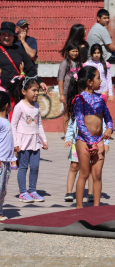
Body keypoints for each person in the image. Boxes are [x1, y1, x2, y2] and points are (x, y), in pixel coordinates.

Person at [65, 66, 113, 209]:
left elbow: (108, 117)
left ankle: (96, 208)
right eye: (98, 78)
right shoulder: (80, 100)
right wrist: (90, 142)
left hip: (98, 141)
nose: (101, 81)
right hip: (84, 142)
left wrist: (109, 128)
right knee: (84, 174)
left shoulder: (100, 98)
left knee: (97, 174)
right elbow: (80, 122)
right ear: (90, 82)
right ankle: (79, 207)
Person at [11, 76, 48, 203]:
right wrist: (15, 143)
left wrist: (44, 140)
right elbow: (13, 125)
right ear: (24, 92)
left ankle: (32, 191)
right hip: (23, 143)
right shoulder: (19, 106)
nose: (36, 93)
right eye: (33, 90)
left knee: (35, 166)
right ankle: (23, 192)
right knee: (23, 167)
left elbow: (39, 125)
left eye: (37, 90)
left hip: (35, 142)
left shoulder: (37, 106)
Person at [0, 21, 47, 108]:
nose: (6, 37)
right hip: (1, 94)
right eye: (4, 34)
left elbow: (30, 69)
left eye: (9, 35)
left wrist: (40, 81)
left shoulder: (19, 50)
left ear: (14, 37)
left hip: (16, 93)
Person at [64, 118, 110, 202]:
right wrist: (68, 139)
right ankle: (69, 192)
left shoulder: (98, 112)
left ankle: (91, 193)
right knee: (74, 166)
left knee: (90, 169)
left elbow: (103, 127)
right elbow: (71, 127)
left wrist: (106, 143)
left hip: (95, 144)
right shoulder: (77, 111)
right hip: (77, 143)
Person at [58, 42, 83, 134]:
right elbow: (60, 79)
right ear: (68, 52)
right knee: (67, 113)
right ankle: (66, 135)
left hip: (78, 91)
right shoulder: (65, 63)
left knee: (78, 113)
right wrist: (61, 95)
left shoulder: (79, 63)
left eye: (76, 51)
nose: (75, 53)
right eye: (73, 51)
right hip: (67, 91)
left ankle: (77, 133)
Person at [0, 91, 16, 220]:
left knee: (3, 188)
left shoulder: (5, 120)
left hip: (6, 161)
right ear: (6, 106)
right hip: (0, 161)